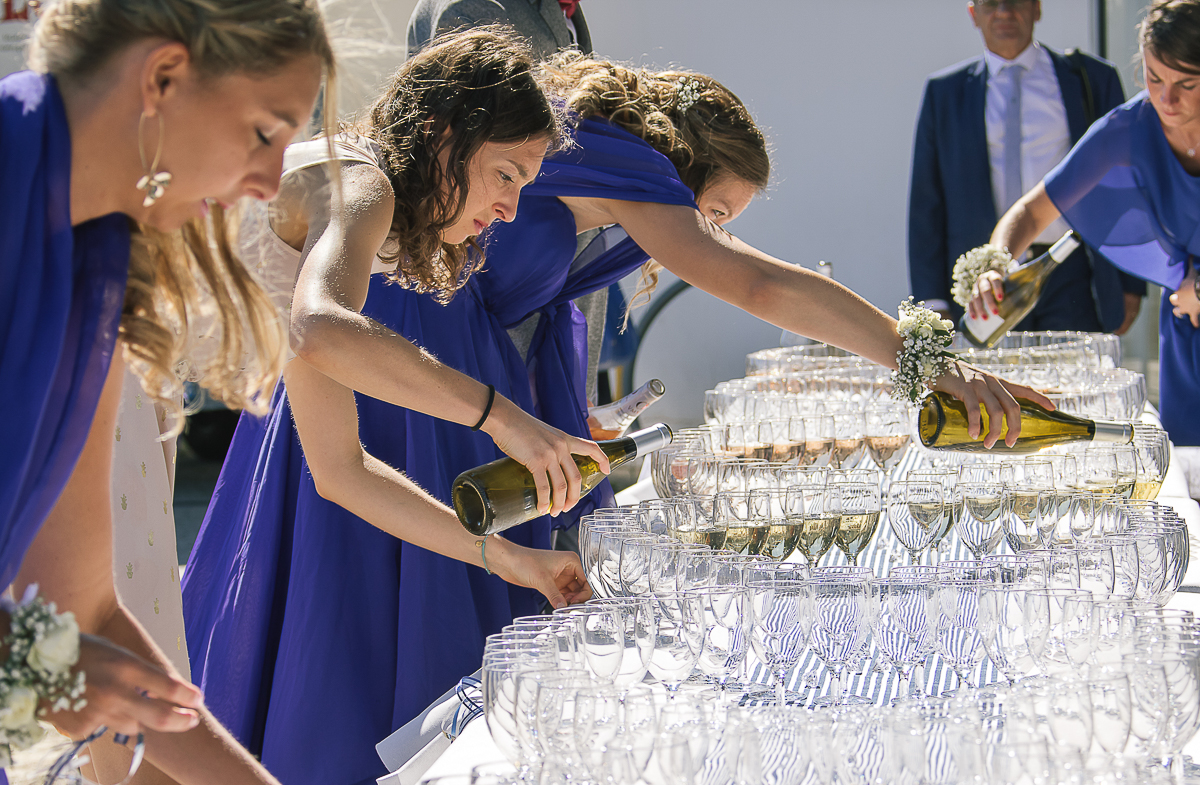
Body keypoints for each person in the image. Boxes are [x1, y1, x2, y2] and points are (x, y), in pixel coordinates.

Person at [182, 30, 597, 785]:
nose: (509, 208)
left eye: (524, 187)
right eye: (505, 173)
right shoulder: (364, 183)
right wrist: (502, 414)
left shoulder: (367, 206)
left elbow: (341, 471)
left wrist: (515, 559)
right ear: (445, 134)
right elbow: (319, 326)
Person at [0, 1, 337, 784]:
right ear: (161, 77)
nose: (264, 182)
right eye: (263, 132)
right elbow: (53, 645)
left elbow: (84, 615)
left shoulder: (96, 258)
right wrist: (33, 658)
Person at [968, 0, 1200, 449]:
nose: (1166, 100)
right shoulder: (1129, 129)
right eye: (1154, 78)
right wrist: (994, 265)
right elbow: (1032, 211)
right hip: (1187, 331)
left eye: (1186, 84)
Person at [907, 0, 1144, 332]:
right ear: (974, 14)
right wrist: (933, 302)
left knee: (1072, 379)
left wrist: (1131, 285)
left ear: (1037, 8)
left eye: (1016, 0)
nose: (1004, 11)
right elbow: (926, 203)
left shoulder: (1089, 79)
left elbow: (1126, 180)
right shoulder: (944, 93)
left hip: (1071, 269)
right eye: (991, 3)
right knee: (996, 382)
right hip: (985, 283)